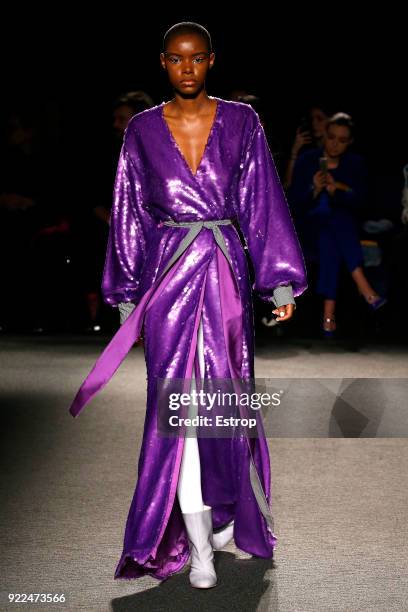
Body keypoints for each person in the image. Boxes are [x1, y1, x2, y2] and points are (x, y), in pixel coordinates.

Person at [69, 21, 308, 588]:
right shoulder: (142, 131)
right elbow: (128, 210)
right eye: (177, 60)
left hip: (225, 269)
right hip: (169, 276)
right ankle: (198, 544)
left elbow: (262, 199)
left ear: (211, 61)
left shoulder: (243, 122)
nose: (187, 69)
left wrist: (278, 281)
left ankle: (226, 514)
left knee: (225, 405)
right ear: (162, 63)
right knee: (175, 414)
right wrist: (127, 296)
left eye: (197, 58)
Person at [289, 112, 387, 337]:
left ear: (349, 142)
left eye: (342, 140)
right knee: (332, 226)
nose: (335, 144)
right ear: (324, 136)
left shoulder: (355, 163)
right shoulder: (308, 160)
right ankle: (364, 288)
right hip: (310, 228)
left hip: (342, 230)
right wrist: (313, 189)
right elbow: (292, 204)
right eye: (331, 137)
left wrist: (339, 190)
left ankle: (328, 315)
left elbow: (363, 202)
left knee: (334, 228)